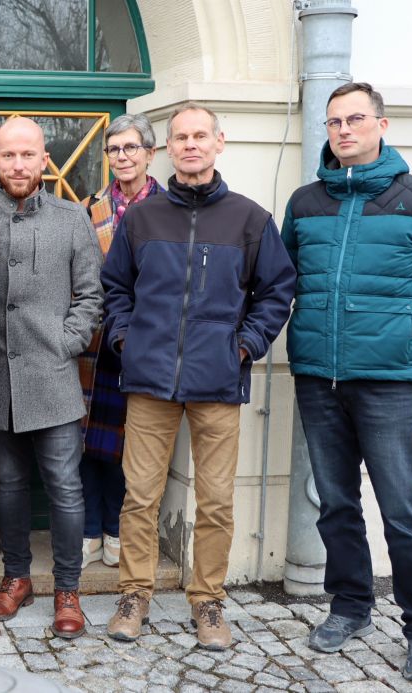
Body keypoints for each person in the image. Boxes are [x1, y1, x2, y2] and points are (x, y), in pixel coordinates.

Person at [282, 82, 412, 683]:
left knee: (403, 508)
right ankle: (350, 607)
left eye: (355, 118)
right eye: (334, 121)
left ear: (381, 125)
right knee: (335, 504)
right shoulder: (306, 202)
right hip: (317, 376)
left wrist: (401, 333)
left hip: (386, 382)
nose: (343, 129)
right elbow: (292, 280)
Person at [101, 103, 295, 650]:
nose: (191, 145)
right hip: (149, 381)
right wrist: (125, 338)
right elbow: (115, 287)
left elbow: (276, 291)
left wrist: (247, 344)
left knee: (214, 500)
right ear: (167, 148)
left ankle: (207, 601)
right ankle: (134, 594)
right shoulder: (142, 220)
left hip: (218, 382)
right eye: (181, 137)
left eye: (200, 136)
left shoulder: (250, 219)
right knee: (140, 496)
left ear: (218, 142)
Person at [0, 117, 103, 639]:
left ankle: (68, 588)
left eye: (28, 155)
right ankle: (16, 577)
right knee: (9, 486)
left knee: (66, 489)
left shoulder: (71, 219)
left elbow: (91, 296)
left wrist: (65, 342)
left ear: (45, 160)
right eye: (8, 155)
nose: (18, 165)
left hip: (54, 379)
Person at [78, 113, 164, 570]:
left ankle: (117, 527)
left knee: (133, 442)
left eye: (131, 148)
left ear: (150, 153)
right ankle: (90, 529)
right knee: (88, 439)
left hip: (143, 341)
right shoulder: (88, 209)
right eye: (114, 149)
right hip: (92, 340)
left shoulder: (169, 208)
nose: (122, 157)